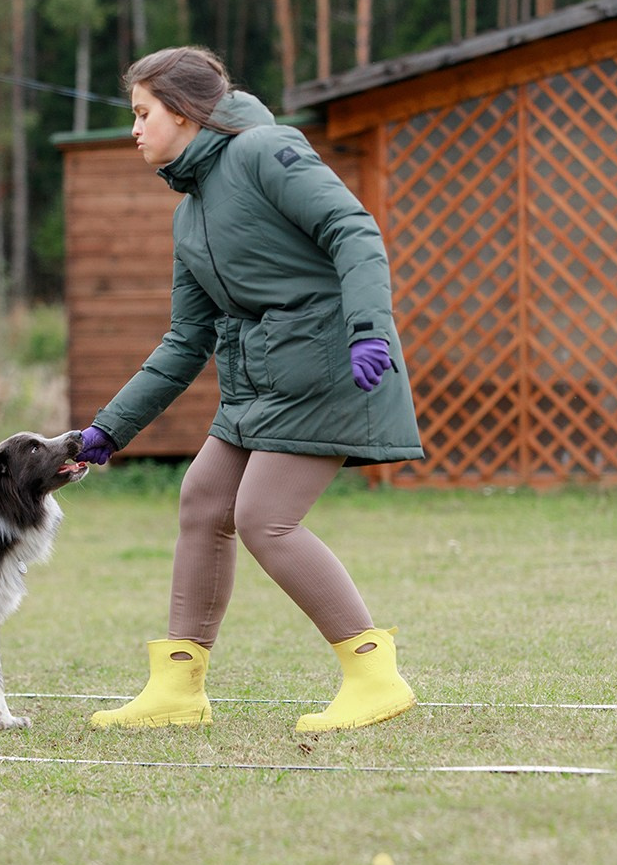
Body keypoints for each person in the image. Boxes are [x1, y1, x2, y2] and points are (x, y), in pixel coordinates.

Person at [75, 46, 425, 733]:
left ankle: (373, 674)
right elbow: (186, 341)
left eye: (143, 113)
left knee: (265, 517)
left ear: (183, 111)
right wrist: (109, 428)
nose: (135, 129)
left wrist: (368, 329)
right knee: (204, 498)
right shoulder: (189, 213)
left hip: (329, 365)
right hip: (258, 384)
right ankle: (178, 687)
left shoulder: (266, 149)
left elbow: (352, 228)